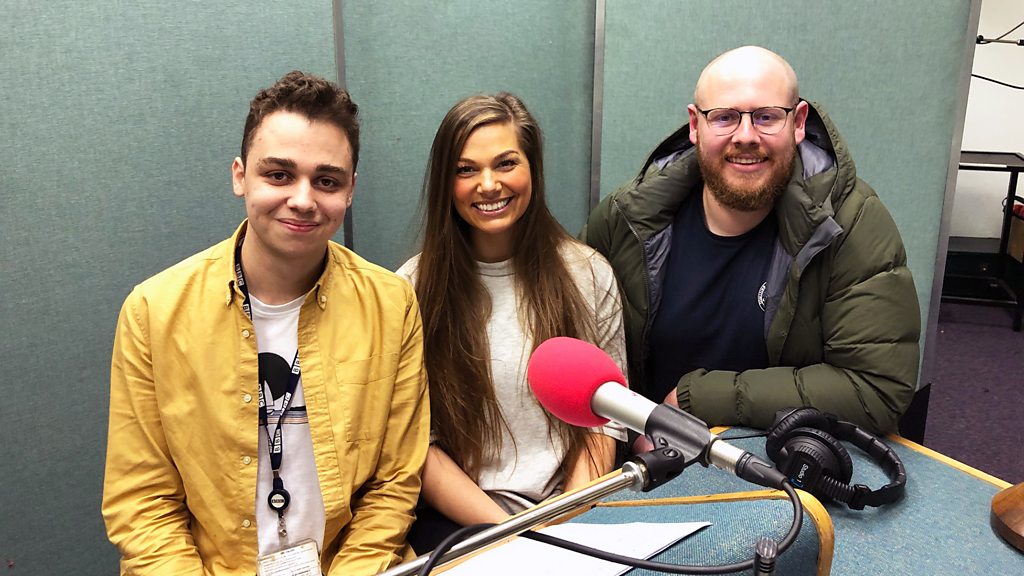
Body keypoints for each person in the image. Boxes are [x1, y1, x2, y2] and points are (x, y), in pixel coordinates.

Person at [102, 71, 430, 575]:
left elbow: (393, 484)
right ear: (240, 176)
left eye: (326, 181)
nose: (303, 199)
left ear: (350, 190)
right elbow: (142, 502)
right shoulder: (153, 311)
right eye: (279, 175)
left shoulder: (391, 304)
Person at [582, 46, 920, 435]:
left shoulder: (848, 222)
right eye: (724, 117)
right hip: (646, 454)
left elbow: (875, 389)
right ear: (695, 125)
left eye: (766, 117)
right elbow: (572, 345)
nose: (745, 136)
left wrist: (693, 402)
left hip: (782, 458)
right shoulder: (627, 219)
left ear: (798, 122)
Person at [396, 93, 627, 550]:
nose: (488, 185)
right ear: (446, 182)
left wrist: (561, 525)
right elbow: (418, 446)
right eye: (466, 170)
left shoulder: (589, 273)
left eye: (505, 163)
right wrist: (516, 536)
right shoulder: (411, 289)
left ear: (532, 169)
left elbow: (605, 422)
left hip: (575, 513)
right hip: (464, 522)